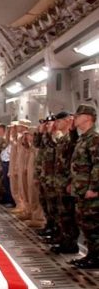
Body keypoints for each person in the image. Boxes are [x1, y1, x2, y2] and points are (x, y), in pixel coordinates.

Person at [69, 104, 99, 268]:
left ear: (87, 117)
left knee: (92, 224)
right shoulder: (83, 138)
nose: (75, 119)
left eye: (78, 116)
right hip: (81, 188)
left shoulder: (94, 138)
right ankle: (92, 254)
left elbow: (97, 165)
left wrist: (94, 188)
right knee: (85, 223)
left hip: (90, 191)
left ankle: (96, 256)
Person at [51, 111, 79, 254]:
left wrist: (70, 181)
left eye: (59, 121)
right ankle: (63, 239)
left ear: (68, 120)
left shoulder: (72, 138)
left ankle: (70, 243)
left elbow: (73, 162)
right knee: (61, 213)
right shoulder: (62, 139)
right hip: (59, 181)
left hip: (67, 181)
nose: (56, 124)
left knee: (68, 214)